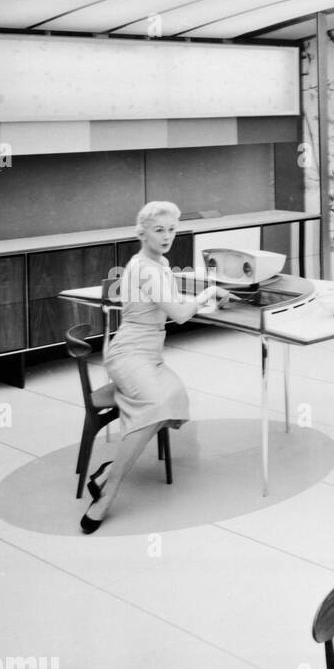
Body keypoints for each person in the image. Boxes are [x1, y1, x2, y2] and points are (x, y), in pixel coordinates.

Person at [80, 201, 232, 533]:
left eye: (172, 229)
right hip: (129, 355)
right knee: (157, 403)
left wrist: (203, 300)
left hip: (149, 355)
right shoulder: (147, 268)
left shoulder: (157, 262)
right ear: (142, 232)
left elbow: (170, 307)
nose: (167, 237)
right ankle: (109, 490)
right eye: (159, 230)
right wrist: (208, 292)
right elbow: (179, 315)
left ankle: (107, 472)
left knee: (173, 396)